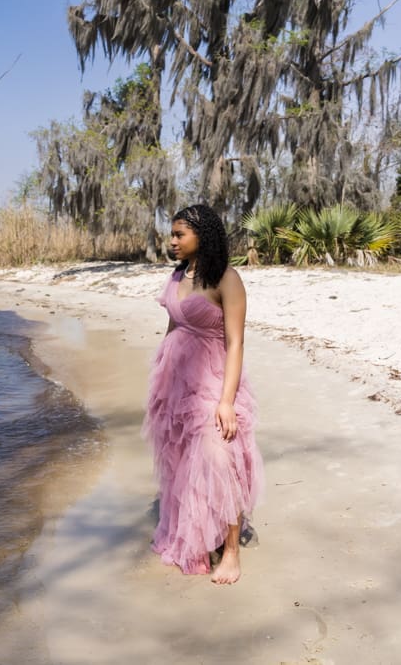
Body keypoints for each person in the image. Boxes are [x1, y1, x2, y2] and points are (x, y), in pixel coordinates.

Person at [142, 204, 264, 585]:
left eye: (180, 234)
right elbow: (173, 326)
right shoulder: (177, 276)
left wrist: (226, 401)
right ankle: (193, 531)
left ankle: (230, 551)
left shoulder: (227, 279)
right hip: (175, 380)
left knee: (220, 453)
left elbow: (236, 342)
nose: (172, 241)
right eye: (172, 234)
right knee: (181, 458)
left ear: (202, 235)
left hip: (213, 378)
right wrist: (161, 381)